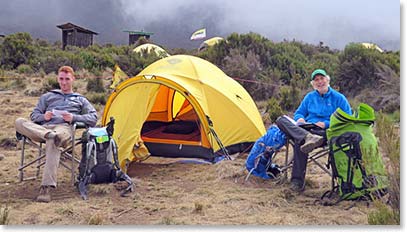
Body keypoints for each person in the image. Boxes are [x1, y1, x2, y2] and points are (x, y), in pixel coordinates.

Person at [246, 69, 352, 192]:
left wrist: (325, 123)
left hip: (325, 132)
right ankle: (306, 137)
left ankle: (297, 181)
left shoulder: (339, 98)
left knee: (300, 141)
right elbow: (299, 113)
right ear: (313, 84)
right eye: (316, 80)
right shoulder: (309, 97)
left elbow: (347, 118)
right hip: (306, 129)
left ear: (327, 80)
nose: (319, 82)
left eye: (322, 78)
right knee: (281, 120)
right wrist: (300, 119)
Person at [15, 66, 97, 203]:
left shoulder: (80, 99)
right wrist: (43, 117)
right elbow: (34, 115)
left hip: (63, 129)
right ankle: (48, 134)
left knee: (55, 139)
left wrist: (74, 118)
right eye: (61, 79)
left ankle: (46, 187)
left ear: (73, 79)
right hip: (43, 129)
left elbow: (93, 118)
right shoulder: (47, 96)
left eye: (67, 79)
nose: (64, 83)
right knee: (19, 121)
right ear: (57, 79)